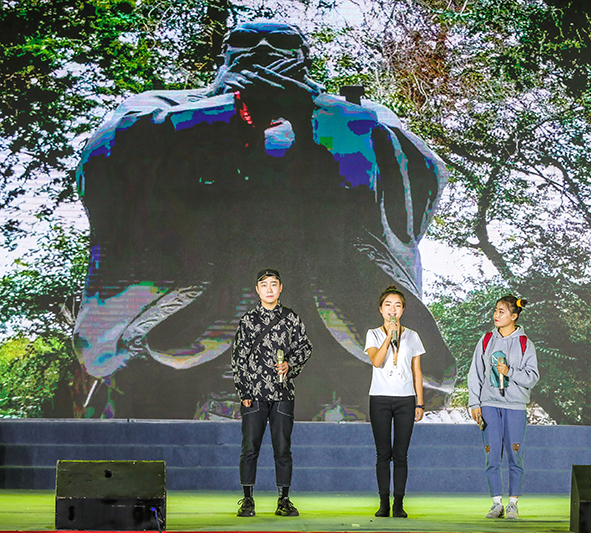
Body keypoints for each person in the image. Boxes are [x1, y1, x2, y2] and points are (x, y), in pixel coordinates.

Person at [72, 19, 456, 420]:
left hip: (323, 277)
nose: (262, 49)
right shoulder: (163, 105)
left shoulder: (356, 113)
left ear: (304, 57)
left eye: (280, 41)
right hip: (210, 278)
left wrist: (319, 119)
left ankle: (334, 396)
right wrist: (223, 114)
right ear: (224, 55)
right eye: (245, 41)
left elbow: (422, 169)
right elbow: (107, 154)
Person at [231, 268, 312, 518]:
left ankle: (284, 499)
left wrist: (290, 365)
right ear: (257, 290)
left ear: (280, 288)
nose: (269, 289)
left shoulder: (291, 318)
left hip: (283, 393)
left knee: (283, 449)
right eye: (264, 285)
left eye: (273, 284)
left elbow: (305, 348)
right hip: (254, 393)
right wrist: (243, 390)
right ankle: (247, 500)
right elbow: (238, 358)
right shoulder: (248, 320)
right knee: (249, 448)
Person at [467, 295, 539, 520]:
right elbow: (475, 373)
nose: (496, 315)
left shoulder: (525, 344)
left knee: (515, 455)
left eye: (502, 311)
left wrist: (510, 372)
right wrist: (475, 403)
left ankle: (513, 504)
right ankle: (496, 503)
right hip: (489, 405)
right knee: (492, 455)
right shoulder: (486, 340)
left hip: (515, 407)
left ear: (514, 316)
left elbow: (532, 377)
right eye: (496, 310)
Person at [364, 286, 425, 518]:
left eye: (397, 305)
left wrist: (419, 403)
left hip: (406, 400)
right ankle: (383, 503)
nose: (393, 309)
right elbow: (376, 361)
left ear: (403, 310)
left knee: (401, 454)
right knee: (383, 453)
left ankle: (398, 503)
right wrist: (389, 336)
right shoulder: (373, 334)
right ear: (381, 309)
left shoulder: (413, 336)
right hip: (379, 398)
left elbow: (417, 372)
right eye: (388, 305)